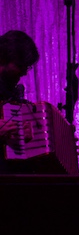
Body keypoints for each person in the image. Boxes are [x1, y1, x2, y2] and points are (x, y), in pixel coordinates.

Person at [0, 30, 39, 164]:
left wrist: (22, 135)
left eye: (26, 68)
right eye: (19, 66)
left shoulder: (9, 92)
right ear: (3, 58)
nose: (23, 73)